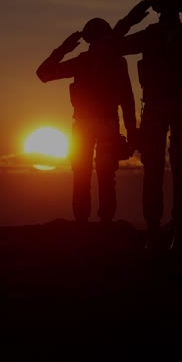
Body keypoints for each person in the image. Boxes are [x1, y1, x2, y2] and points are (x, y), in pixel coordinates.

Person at [113, 0, 182, 250]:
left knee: (173, 172)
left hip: (176, 108)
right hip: (162, 109)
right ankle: (159, 232)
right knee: (161, 172)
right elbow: (112, 48)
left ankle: (172, 232)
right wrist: (130, 20)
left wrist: (130, 20)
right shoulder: (155, 35)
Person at [36, 18, 136, 224]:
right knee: (100, 174)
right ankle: (101, 222)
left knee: (86, 174)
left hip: (90, 125)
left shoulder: (87, 61)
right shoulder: (113, 62)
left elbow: (43, 73)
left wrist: (63, 49)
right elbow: (127, 98)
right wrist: (132, 130)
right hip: (98, 124)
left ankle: (87, 222)